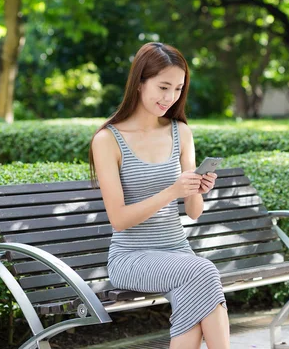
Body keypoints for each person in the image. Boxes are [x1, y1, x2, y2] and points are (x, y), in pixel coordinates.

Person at [89, 42, 230, 349]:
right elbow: (119, 219)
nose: (170, 98)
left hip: (178, 252)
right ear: (140, 82)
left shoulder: (181, 132)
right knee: (204, 271)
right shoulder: (107, 140)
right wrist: (172, 191)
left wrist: (197, 190)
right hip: (131, 258)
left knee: (196, 293)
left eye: (178, 89)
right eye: (163, 87)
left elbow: (194, 212)